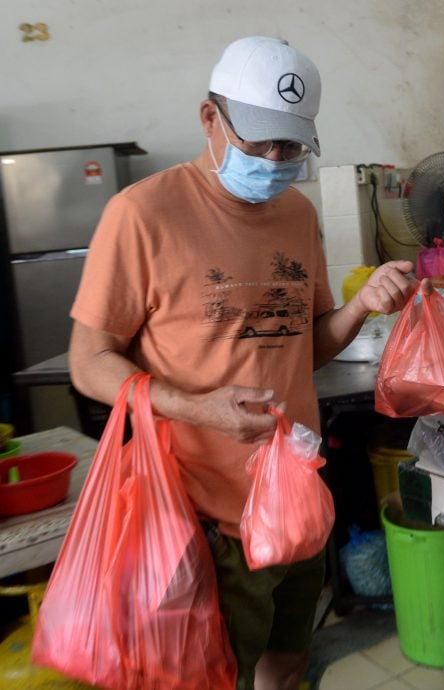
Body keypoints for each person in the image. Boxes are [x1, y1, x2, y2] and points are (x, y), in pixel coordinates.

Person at [68, 36, 418, 689]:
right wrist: (193, 406)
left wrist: (363, 306)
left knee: (288, 663)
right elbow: (89, 360)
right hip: (205, 517)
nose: (276, 161)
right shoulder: (142, 215)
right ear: (211, 120)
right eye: (260, 143)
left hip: (295, 500)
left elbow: (305, 344)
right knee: (217, 674)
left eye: (291, 146)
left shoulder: (297, 212)